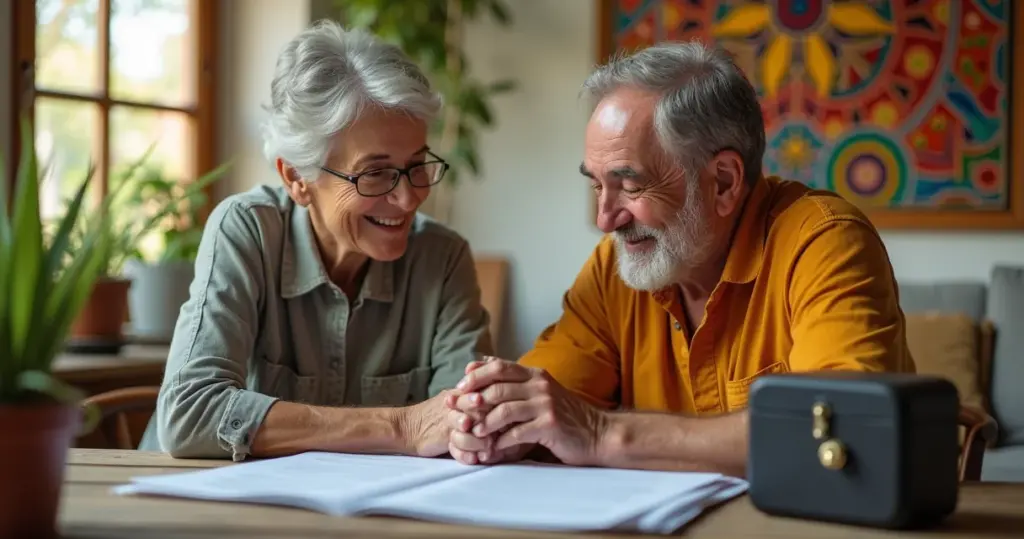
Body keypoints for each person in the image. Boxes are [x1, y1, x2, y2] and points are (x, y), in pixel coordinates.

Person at [444, 41, 914, 476]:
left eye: (630, 186)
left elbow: (840, 426)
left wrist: (601, 433)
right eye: (596, 185)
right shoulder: (614, 269)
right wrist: (494, 422)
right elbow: (545, 403)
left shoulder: (824, 242)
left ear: (724, 182)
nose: (605, 219)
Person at [139, 20, 493, 460]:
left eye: (417, 164)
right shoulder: (248, 230)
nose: (408, 197)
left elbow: (466, 424)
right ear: (297, 178)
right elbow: (189, 415)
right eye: (376, 173)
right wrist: (402, 426)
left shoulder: (442, 259)